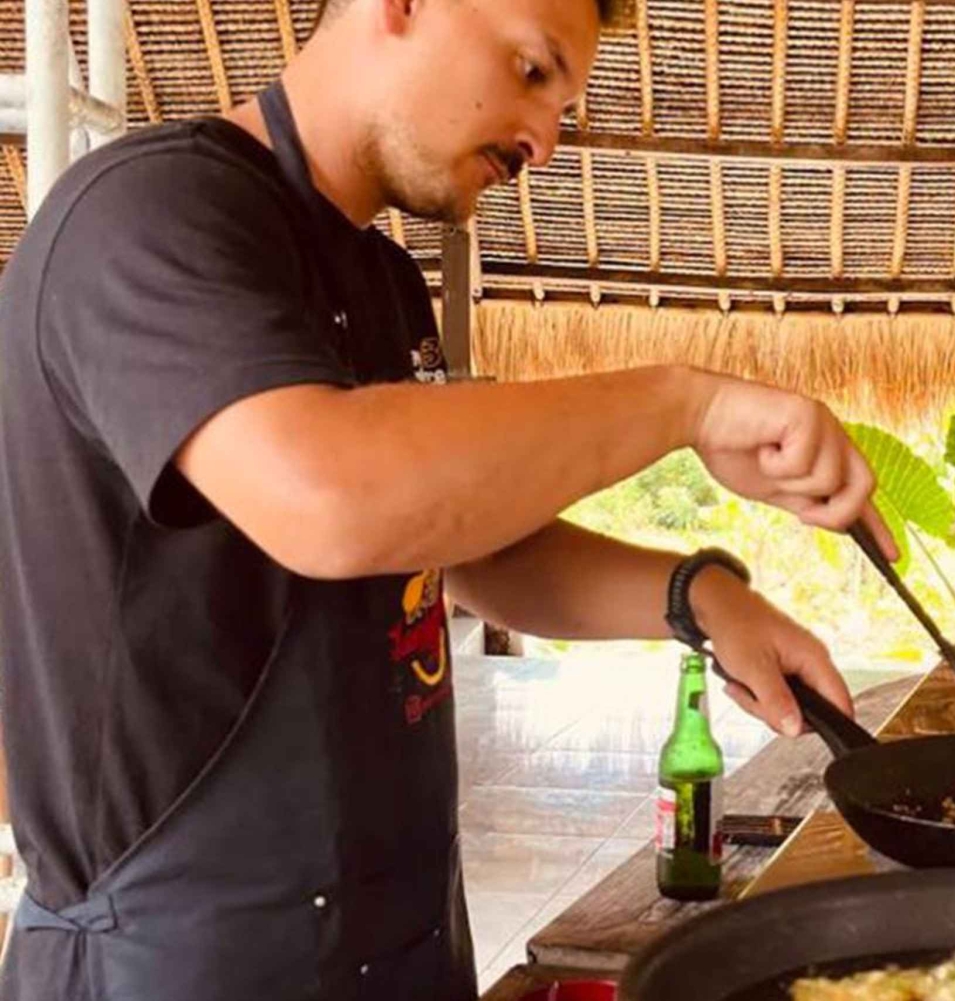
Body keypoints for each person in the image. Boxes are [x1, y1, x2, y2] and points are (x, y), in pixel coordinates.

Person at [0, 1, 895, 998]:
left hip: (403, 940)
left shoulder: (382, 281)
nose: (546, 140)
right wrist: (682, 401)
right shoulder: (145, 214)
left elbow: (461, 547)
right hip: (175, 963)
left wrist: (702, 597)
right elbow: (337, 501)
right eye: (530, 69)